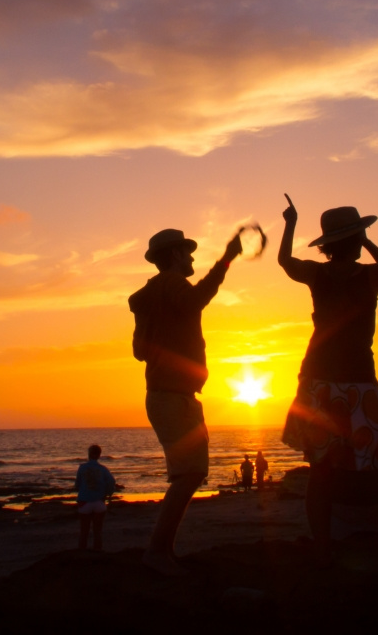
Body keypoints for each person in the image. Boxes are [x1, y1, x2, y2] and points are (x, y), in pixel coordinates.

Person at [278, 195, 378, 565]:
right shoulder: (369, 275)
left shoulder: (318, 274)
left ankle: (323, 546)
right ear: (355, 239)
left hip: (319, 380)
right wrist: (369, 242)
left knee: (321, 470)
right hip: (358, 380)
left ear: (327, 245)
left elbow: (286, 261)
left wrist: (290, 224)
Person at [130, 226, 244, 576]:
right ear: (176, 255)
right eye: (187, 252)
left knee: (189, 474)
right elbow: (197, 300)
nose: (192, 258)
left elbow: (139, 352)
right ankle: (157, 552)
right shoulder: (171, 283)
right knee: (190, 474)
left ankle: (162, 551)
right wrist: (226, 260)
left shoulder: (150, 296)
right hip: (172, 397)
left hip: (169, 395)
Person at [75, 443, 117, 551]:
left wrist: (82, 490)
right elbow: (111, 481)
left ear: (89, 454)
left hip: (84, 502)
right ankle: (97, 553)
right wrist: (108, 494)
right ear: (99, 455)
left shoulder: (82, 468)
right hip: (99, 502)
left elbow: (77, 484)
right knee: (97, 532)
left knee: (84, 531)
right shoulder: (103, 469)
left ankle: (82, 553)